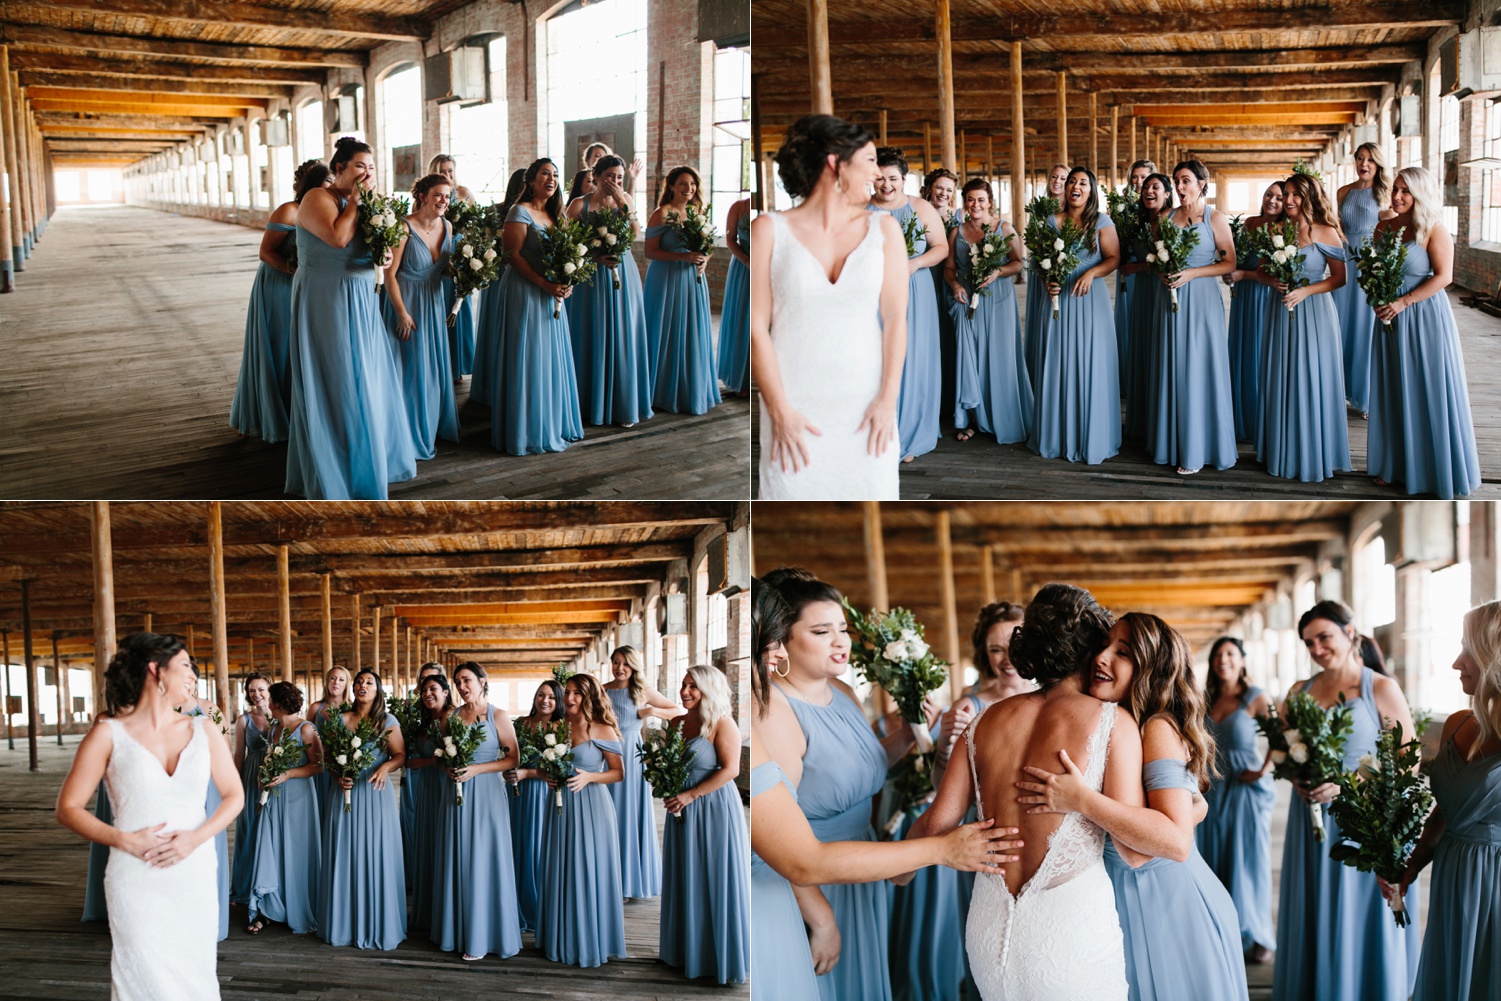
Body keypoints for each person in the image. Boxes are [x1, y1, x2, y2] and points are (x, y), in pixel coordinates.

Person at [748, 577, 1017, 1001]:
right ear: (781, 639)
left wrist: (912, 733)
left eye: (842, 629)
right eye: (821, 632)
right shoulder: (772, 714)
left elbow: (862, 767)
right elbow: (781, 840)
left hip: (863, 864)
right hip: (818, 880)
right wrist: (820, 918)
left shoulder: (842, 692)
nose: (840, 642)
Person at [902, 583, 1141, 999]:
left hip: (989, 932)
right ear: (1091, 647)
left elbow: (936, 823)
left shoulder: (984, 723)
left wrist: (898, 871)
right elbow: (1132, 847)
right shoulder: (1111, 722)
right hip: (1070, 936)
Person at [1018, 613, 1247, 1001]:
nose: (1101, 658)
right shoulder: (1112, 721)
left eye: (1121, 653)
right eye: (1103, 645)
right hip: (1120, 899)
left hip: (1165, 906)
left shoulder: (1156, 728)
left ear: (1150, 670)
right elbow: (1189, 809)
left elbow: (1174, 843)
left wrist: (1083, 799)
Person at [55, 633, 243, 1001]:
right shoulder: (108, 734)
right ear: (156, 671)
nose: (193, 676)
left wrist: (196, 837)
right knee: (140, 976)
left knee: (196, 975)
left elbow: (234, 796)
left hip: (194, 870)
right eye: (186, 666)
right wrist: (123, 839)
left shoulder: (204, 730)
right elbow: (68, 808)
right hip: (135, 875)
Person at [753, 114, 907, 500]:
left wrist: (888, 400)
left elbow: (895, 319)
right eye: (870, 161)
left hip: (868, 405)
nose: (877, 173)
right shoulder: (769, 231)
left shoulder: (885, 230)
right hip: (794, 404)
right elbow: (756, 327)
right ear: (836, 163)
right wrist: (779, 411)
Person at [1274, 600, 1418, 1001]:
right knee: (1315, 907)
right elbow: (1284, 749)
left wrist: (1347, 783)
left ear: (1350, 633)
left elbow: (1408, 756)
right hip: (1311, 818)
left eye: (1324, 637)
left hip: (1362, 818)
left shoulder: (1379, 688)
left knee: (1358, 913)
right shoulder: (1298, 691)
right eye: (1308, 643)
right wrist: (1297, 777)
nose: (1317, 649)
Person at [285, 135, 417, 499]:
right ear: (339, 167)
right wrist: (358, 202)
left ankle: (367, 457)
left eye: (371, 167)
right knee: (338, 376)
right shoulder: (318, 199)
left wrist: (384, 256)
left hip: (360, 297)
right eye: (360, 165)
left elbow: (377, 248)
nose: (367, 173)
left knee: (365, 375)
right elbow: (338, 238)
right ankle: (335, 464)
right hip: (325, 296)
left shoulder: (368, 202)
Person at [1395, 599, 1501, 1001]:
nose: (1457, 662)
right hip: (1454, 873)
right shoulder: (1458, 723)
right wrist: (1412, 865)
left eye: (1468, 650)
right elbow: (1444, 812)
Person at [1367, 166, 1482, 498]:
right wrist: (1377, 297)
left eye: (1406, 191)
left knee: (1425, 385)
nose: (1398, 196)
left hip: (1423, 315)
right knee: (1393, 387)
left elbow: (1444, 276)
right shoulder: (1382, 228)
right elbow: (1375, 270)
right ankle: (1396, 465)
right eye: (1396, 190)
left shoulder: (1434, 230)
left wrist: (1404, 302)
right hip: (1388, 318)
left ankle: (1433, 468)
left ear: (1420, 194)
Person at [482, 157, 584, 455]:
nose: (550, 179)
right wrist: (543, 283)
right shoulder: (519, 211)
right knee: (527, 357)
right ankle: (524, 429)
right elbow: (512, 255)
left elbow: (570, 256)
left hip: (552, 295)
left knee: (549, 357)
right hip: (525, 292)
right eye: (544, 174)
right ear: (531, 181)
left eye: (554, 175)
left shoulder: (558, 215)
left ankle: (550, 422)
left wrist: (569, 280)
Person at [1257, 170, 1351, 483]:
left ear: (1309, 196)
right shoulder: (1276, 229)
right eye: (1286, 194)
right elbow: (1261, 271)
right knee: (1282, 375)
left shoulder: (1325, 231)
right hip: (1281, 309)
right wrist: (1276, 281)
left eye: (1296, 194)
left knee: (1311, 376)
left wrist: (1304, 291)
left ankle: (1314, 451)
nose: (1290, 200)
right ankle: (1281, 449)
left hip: (1314, 312)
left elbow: (1340, 278)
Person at [659, 664, 750, 985]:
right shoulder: (676, 723)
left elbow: (730, 770)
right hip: (680, 806)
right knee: (685, 873)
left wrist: (691, 795)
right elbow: (666, 763)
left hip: (712, 806)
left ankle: (714, 957)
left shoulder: (723, 724)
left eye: (692, 687)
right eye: (683, 685)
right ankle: (684, 951)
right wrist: (669, 788)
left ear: (708, 690)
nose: (685, 691)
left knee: (712, 874)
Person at [230, 159, 328, 442]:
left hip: (309, 286)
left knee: (302, 346)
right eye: (327, 182)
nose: (330, 188)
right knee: (281, 345)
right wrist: (295, 271)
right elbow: (266, 252)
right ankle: (276, 414)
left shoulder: (329, 210)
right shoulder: (289, 210)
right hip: (279, 283)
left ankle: (300, 411)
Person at [1029, 166, 1121, 464]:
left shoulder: (1102, 222)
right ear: (1065, 189)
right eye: (1071, 182)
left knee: (1090, 362)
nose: (1075, 186)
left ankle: (1091, 434)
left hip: (1089, 298)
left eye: (1082, 182)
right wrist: (1047, 280)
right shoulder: (1050, 221)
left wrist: (1092, 273)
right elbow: (1040, 260)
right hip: (1057, 300)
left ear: (1091, 190)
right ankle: (1057, 434)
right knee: (1057, 362)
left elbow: (1114, 258)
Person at [1150, 160, 1237, 476]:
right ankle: (1173, 443)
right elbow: (1157, 256)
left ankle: (1201, 447)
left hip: (1202, 301)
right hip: (1171, 299)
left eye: (1186, 180)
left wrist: (1193, 273)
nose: (1180, 186)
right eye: (1176, 181)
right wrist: (1163, 272)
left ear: (1202, 183)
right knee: (1173, 366)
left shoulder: (1214, 219)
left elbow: (1229, 263)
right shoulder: (1165, 217)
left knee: (1200, 368)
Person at [431, 662, 522, 961]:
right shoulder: (452, 717)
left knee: (484, 859)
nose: (461, 686)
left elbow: (512, 759)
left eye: (466, 680)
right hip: (455, 795)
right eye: (457, 682)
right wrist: (449, 769)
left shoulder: (498, 715)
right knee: (457, 857)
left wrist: (478, 769)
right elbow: (442, 757)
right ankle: (457, 931)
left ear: (483, 681)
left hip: (487, 795)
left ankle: (485, 935)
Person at [537, 674, 627, 968]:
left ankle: (590, 939)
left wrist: (589, 776)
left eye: (578, 693)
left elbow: (618, 773)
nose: (570, 698)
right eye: (569, 693)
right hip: (560, 806)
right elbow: (543, 766)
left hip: (592, 808)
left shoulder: (602, 729)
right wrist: (548, 776)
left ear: (590, 697)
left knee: (587, 867)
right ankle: (559, 936)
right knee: (560, 866)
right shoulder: (557, 727)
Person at [1197, 637, 1276, 963]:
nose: (1223, 660)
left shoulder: (1255, 697)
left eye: (1230, 654)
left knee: (1248, 860)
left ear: (1242, 660)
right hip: (1212, 788)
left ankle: (1258, 934)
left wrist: (1262, 770)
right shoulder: (1205, 698)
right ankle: (1221, 926)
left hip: (1246, 790)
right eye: (1217, 654)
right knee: (1214, 856)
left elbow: (1282, 737)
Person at [318, 668, 407, 950]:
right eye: (358, 682)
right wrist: (337, 776)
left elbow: (400, 755)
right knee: (344, 853)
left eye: (369, 682)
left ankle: (377, 922)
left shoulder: (387, 721)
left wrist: (385, 766)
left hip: (374, 793)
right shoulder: (338, 719)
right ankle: (343, 923)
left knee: (375, 853)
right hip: (343, 793)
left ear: (378, 690)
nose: (362, 685)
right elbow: (328, 760)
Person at [869, 146, 948, 462]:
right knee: (878, 360)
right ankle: (879, 432)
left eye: (892, 178)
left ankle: (911, 434)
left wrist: (912, 265)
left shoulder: (920, 207)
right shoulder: (862, 210)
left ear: (904, 179)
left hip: (915, 290)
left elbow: (940, 248)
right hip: (874, 294)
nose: (886, 185)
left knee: (914, 359)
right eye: (880, 179)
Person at [565, 155, 653, 427]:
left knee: (623, 331)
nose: (615, 181)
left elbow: (636, 231)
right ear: (597, 175)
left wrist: (624, 201)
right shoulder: (580, 203)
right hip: (591, 273)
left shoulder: (625, 197)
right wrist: (593, 255)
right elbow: (567, 239)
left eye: (619, 177)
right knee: (590, 330)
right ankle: (585, 401)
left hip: (622, 269)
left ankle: (622, 403)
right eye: (610, 176)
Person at [380, 173, 460, 459]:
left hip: (434, 301)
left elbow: (443, 268)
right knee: (411, 369)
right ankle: (408, 432)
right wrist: (401, 313)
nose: (443, 200)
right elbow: (389, 275)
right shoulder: (404, 227)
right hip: (407, 302)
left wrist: (468, 275)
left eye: (447, 196)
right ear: (423, 195)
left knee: (432, 366)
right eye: (438, 194)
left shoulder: (447, 226)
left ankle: (433, 424)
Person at [947, 178, 1029, 446]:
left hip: (999, 299)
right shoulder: (956, 232)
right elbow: (949, 268)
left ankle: (1002, 416)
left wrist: (998, 271)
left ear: (990, 201)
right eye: (970, 199)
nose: (975, 204)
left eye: (981, 199)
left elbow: (1018, 263)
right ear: (964, 202)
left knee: (999, 357)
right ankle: (973, 419)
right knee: (972, 357)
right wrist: (955, 283)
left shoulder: (1004, 228)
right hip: (969, 298)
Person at [603, 645, 684, 899]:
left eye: (625, 663)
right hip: (607, 752)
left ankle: (628, 883)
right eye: (616, 662)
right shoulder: (603, 690)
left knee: (629, 814)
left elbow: (679, 711)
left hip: (632, 755)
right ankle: (609, 878)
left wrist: (652, 711)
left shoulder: (641, 691)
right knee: (608, 814)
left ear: (634, 665)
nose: (620, 668)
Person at [246, 681, 322, 936]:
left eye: (269, 699)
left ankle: (297, 906)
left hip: (298, 798)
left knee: (296, 850)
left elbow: (318, 765)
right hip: (274, 797)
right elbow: (269, 758)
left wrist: (289, 773)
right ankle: (270, 908)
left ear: (277, 703)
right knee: (272, 847)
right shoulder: (275, 728)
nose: (266, 702)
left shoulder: (306, 729)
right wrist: (263, 775)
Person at [645, 166, 722, 415]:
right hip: (667, 279)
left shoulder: (697, 212)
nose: (688, 188)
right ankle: (660, 391)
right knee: (666, 331)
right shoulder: (662, 213)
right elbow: (650, 252)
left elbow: (707, 246)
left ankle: (691, 390)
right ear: (671, 186)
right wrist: (682, 257)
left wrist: (704, 260)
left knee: (692, 331)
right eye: (683, 183)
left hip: (693, 280)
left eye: (692, 184)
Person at [1334, 143, 1395, 418]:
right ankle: (1339, 389)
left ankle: (1367, 395)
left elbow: (1393, 233)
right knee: (1341, 326)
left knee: (1365, 328)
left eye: (1370, 159)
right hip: (1345, 262)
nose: (1364, 164)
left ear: (1378, 163)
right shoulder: (1343, 192)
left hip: (1371, 265)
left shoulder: (1385, 194)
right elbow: (1338, 228)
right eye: (1360, 158)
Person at [1224, 181, 1284, 441]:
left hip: (1262, 295)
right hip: (1242, 298)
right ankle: (1237, 417)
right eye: (1269, 194)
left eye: (1279, 198)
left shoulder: (1283, 229)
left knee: (1259, 354)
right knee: (1241, 351)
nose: (1272, 200)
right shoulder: (1249, 223)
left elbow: (1271, 272)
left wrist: (1242, 274)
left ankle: (1258, 421)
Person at [505, 679, 565, 933]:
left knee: (535, 846)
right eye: (541, 695)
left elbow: (560, 768)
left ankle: (537, 907)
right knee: (515, 844)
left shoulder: (562, 727)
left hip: (541, 792)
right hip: (515, 792)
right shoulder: (520, 724)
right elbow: (509, 754)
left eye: (551, 697)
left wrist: (527, 774)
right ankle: (511, 903)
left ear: (558, 700)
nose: (545, 700)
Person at [1122, 173, 1174, 442]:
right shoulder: (1140, 223)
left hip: (1161, 289)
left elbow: (1171, 261)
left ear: (1167, 193)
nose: (1148, 191)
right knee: (1141, 348)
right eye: (1145, 187)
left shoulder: (1172, 220)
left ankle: (1161, 419)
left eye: (1156, 187)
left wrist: (1138, 267)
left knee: (1159, 350)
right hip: (1141, 292)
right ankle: (1143, 420)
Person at [404, 668, 453, 932]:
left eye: (433, 689)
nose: (427, 693)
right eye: (424, 690)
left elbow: (452, 756)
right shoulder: (423, 721)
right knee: (428, 840)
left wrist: (422, 761)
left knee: (443, 841)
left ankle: (445, 907)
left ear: (446, 692)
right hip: (425, 788)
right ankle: (428, 907)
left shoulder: (452, 716)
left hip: (444, 784)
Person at [1023, 164, 1073, 390]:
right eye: (1054, 176)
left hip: (1063, 264)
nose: (1058, 181)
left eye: (1063, 178)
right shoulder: (1038, 206)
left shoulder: (1073, 206)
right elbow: (1031, 237)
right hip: (1041, 264)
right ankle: (1038, 366)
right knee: (1040, 311)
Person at [229, 673, 272, 906]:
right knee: (249, 830)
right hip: (251, 775)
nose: (257, 694)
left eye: (261, 689)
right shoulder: (243, 720)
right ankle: (244, 888)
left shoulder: (281, 716)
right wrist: (236, 788)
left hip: (275, 776)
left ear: (270, 689)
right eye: (252, 690)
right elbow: (238, 756)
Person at [719, 196, 753, 396]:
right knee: (742, 317)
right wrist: (747, 261)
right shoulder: (738, 207)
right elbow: (730, 240)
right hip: (743, 265)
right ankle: (741, 379)